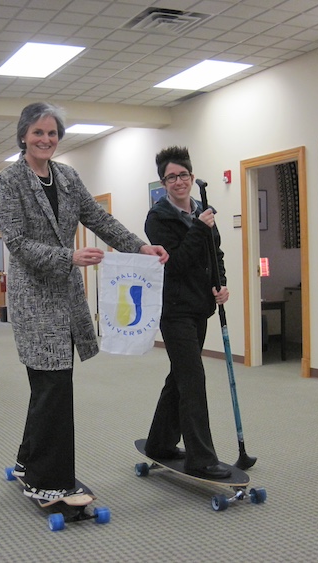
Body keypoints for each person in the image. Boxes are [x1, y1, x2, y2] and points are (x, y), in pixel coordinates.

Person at [0, 102, 168, 501]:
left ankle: (27, 460)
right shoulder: (8, 181)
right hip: (34, 298)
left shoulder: (67, 177)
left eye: (52, 133)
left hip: (66, 297)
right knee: (52, 382)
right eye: (38, 132)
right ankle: (46, 479)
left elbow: (98, 219)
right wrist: (68, 257)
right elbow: (17, 244)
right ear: (23, 135)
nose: (46, 140)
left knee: (50, 383)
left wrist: (140, 247)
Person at [142, 145, 232, 479]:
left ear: (191, 178)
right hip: (174, 310)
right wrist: (199, 228)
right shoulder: (158, 219)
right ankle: (201, 458)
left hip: (200, 307)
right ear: (163, 183)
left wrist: (220, 285)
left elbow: (214, 253)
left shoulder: (202, 210)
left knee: (180, 377)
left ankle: (159, 443)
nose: (178, 182)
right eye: (171, 177)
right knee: (193, 379)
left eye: (183, 175)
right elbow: (175, 263)